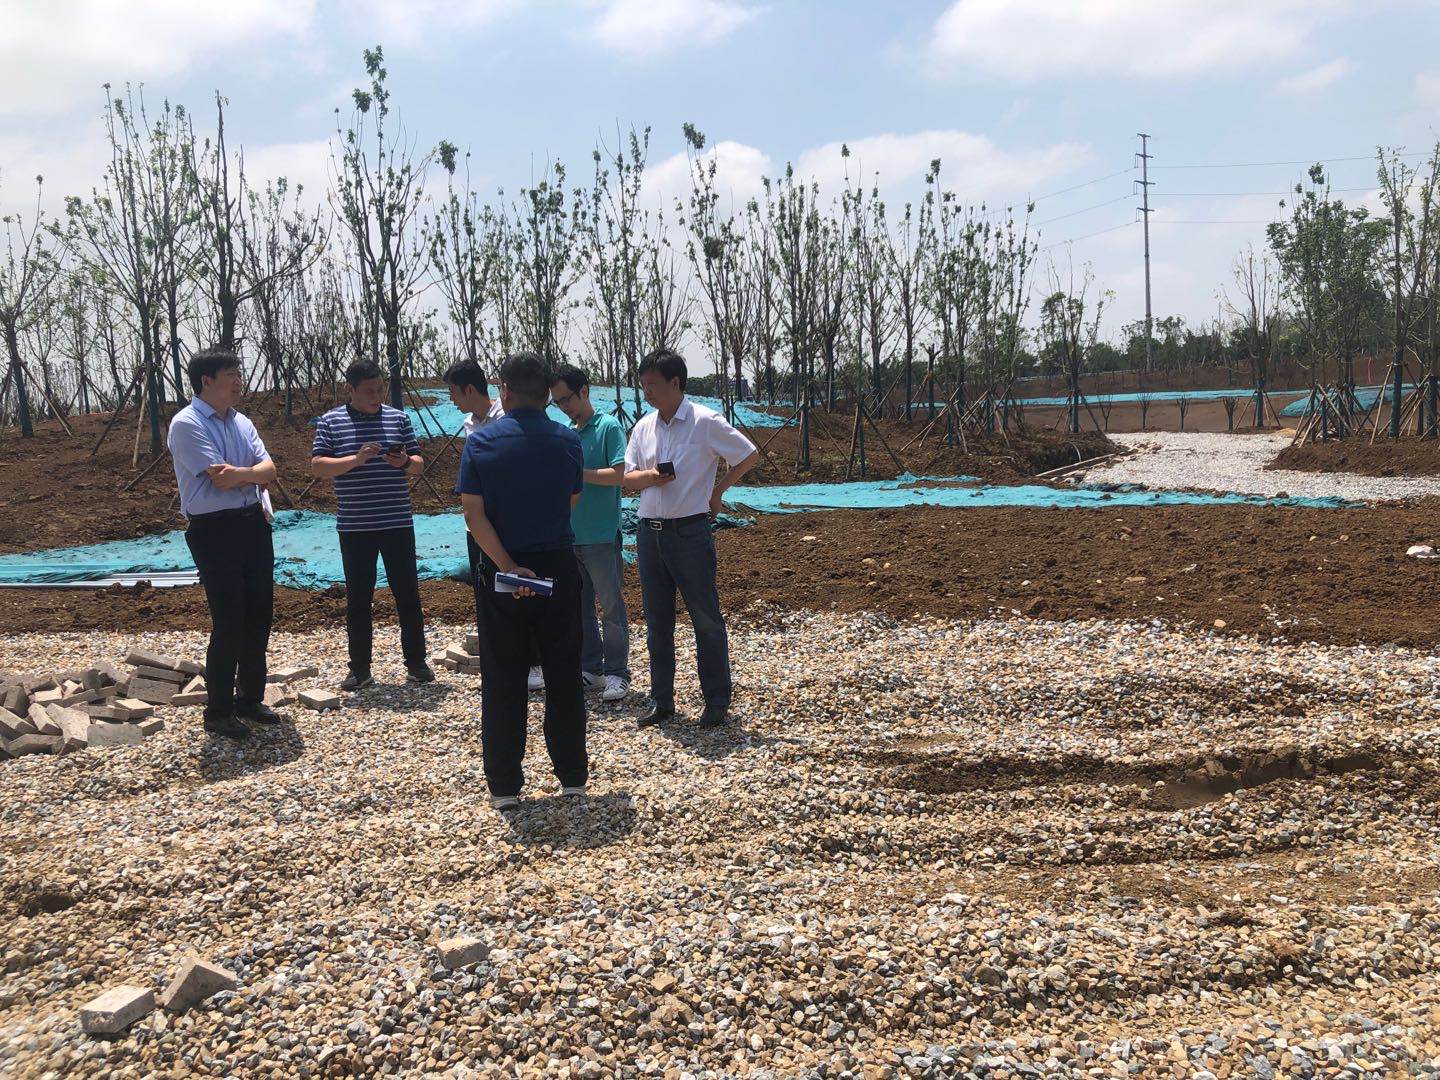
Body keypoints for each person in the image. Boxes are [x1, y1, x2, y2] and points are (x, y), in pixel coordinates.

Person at [458, 352, 587, 810]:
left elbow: (473, 515)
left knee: (503, 675)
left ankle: (505, 786)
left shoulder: (481, 443)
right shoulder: (568, 441)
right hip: (557, 565)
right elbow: (571, 498)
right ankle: (572, 776)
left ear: (505, 391)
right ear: (547, 393)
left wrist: (508, 565)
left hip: (502, 571)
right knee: (563, 671)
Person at [623, 348, 758, 728]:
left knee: (705, 618)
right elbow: (628, 478)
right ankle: (661, 700)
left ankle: (716, 700)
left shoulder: (704, 421)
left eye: (653, 384)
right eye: (643, 385)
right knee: (657, 622)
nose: (647, 392)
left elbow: (748, 454)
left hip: (690, 532)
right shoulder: (643, 427)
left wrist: (717, 491)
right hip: (649, 534)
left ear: (675, 382)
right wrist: (650, 477)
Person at [167, 347, 280, 740]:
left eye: (238, 374)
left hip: (253, 523)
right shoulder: (186, 423)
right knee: (229, 618)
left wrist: (244, 474)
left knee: (259, 614)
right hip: (215, 530)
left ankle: (250, 698)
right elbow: (220, 478)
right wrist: (252, 474)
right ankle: (218, 711)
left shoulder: (241, 421)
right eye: (230, 375)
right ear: (206, 381)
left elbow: (269, 470)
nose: (238, 382)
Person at [311, 360, 433, 690]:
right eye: (368, 391)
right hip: (355, 526)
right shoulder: (331, 421)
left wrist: (404, 462)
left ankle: (416, 662)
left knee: (408, 594)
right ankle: (360, 668)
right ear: (349, 389)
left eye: (380, 389)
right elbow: (319, 466)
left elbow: (419, 464)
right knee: (358, 599)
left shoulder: (398, 419)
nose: (376, 396)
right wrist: (356, 459)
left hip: (397, 522)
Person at [550, 364, 630, 703]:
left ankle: (617, 673)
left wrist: (578, 474)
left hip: (601, 535)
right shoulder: (567, 433)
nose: (563, 406)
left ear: (584, 391)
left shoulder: (608, 426)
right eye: (557, 402)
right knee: (580, 609)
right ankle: (592, 669)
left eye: (566, 399)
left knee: (611, 608)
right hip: (572, 536)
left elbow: (620, 474)